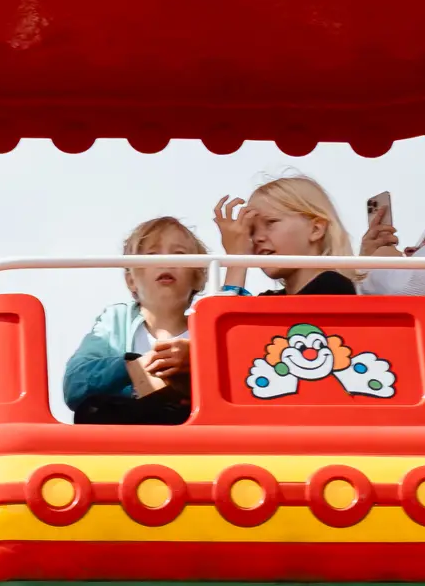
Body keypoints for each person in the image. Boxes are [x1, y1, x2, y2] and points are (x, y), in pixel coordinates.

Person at [62, 216, 208, 424]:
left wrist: (196, 360)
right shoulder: (115, 321)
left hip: (195, 434)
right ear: (131, 280)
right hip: (131, 435)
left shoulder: (208, 326)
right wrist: (134, 365)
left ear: (198, 277)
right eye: (152, 255)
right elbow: (75, 385)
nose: (165, 261)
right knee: (93, 410)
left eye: (179, 254)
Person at [214, 176, 357, 296]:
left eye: (270, 222)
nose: (257, 238)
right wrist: (237, 259)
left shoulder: (333, 287)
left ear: (316, 229)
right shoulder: (269, 300)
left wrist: (236, 260)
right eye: (251, 231)